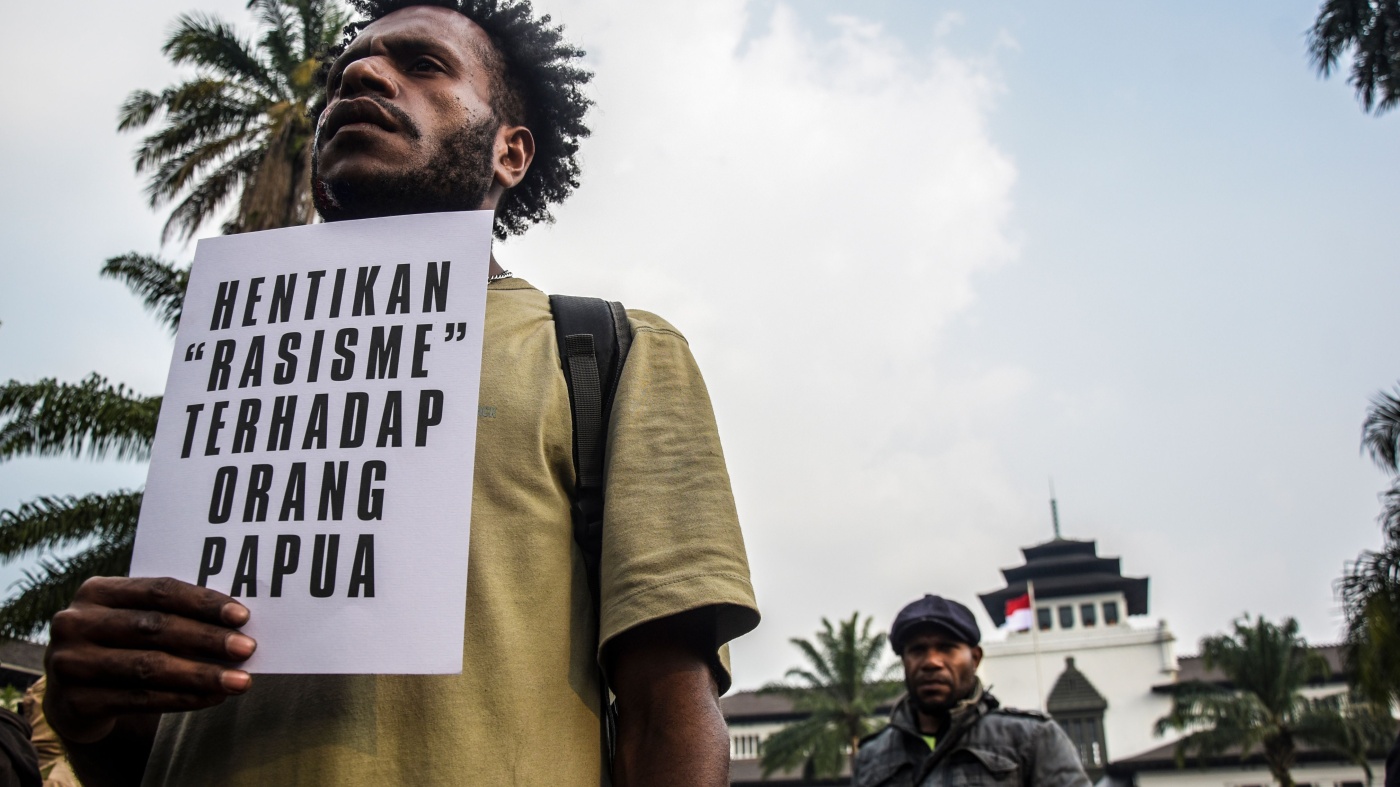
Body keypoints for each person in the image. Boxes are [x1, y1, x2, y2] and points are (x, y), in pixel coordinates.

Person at [41, 2, 759, 785]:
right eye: (348, 72)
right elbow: (155, 752)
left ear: (510, 152)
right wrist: (90, 713)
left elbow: (670, 713)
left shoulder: (602, 351)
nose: (363, 77)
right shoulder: (235, 371)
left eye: (422, 65)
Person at [853, 595, 1090, 787]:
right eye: (917, 650)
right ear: (904, 661)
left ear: (975, 658)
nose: (931, 662)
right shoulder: (872, 757)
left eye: (946, 648)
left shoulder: (1030, 739)